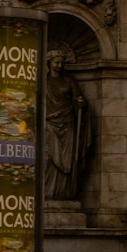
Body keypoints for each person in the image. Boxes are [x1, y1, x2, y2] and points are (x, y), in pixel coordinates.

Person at [45, 47, 92, 201]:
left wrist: (80, 104)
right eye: (56, 62)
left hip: (68, 122)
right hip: (49, 123)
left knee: (68, 158)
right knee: (49, 157)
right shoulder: (43, 82)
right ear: (49, 63)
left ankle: (64, 192)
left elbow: (78, 99)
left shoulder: (69, 80)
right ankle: (48, 192)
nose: (59, 66)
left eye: (61, 63)